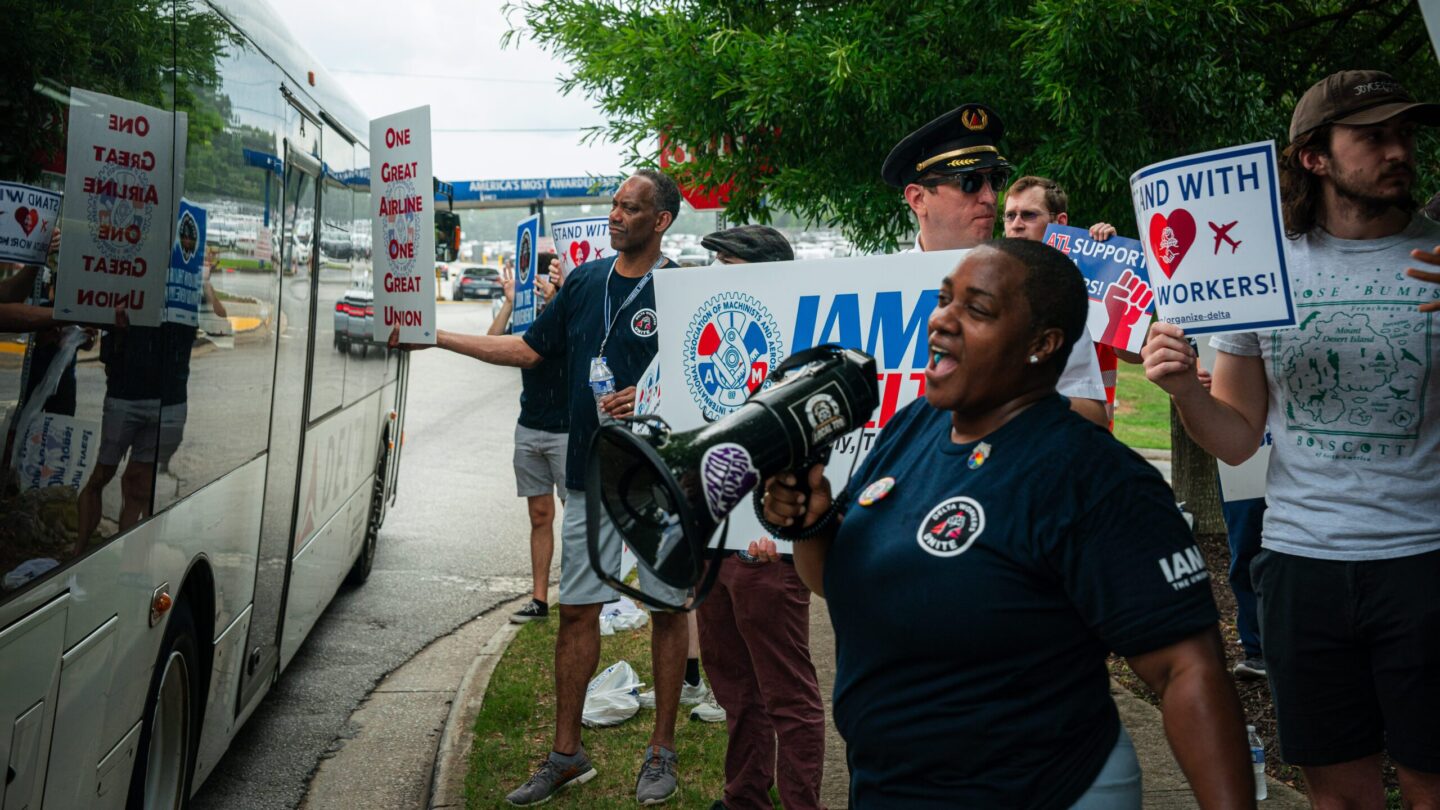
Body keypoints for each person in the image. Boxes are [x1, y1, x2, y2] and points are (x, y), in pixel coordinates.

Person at [757, 238, 1254, 808]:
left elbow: (1187, 670)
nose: (942, 319)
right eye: (945, 300)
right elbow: (836, 580)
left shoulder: (1094, 477)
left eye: (977, 309)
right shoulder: (916, 424)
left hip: (1042, 789)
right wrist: (813, 524)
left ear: (1041, 345)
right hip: (893, 788)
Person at [1143, 70, 1440, 808]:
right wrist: (1184, 389)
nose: (1398, 150)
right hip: (1303, 565)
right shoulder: (1260, 268)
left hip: (1427, 561)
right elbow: (1239, 439)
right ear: (1314, 157)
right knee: (1337, 791)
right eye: (1373, 136)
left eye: (1404, 134)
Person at [392, 170, 690, 806]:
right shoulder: (584, 281)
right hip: (590, 474)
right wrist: (438, 337)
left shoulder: (682, 290)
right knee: (577, 609)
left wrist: (659, 390)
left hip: (658, 478)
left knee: (668, 608)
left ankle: (660, 750)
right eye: (614, 204)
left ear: (660, 221)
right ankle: (565, 754)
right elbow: (528, 349)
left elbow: (709, 377)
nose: (616, 216)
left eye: (631, 208)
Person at [689, 225, 826, 810]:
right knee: (733, 685)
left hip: (767, 548)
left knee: (785, 694)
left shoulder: (803, 357)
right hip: (713, 542)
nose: (715, 275)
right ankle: (745, 796)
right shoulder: (699, 335)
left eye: (726, 264)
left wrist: (780, 531)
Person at [880, 103, 1110, 427]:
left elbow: (1094, 416)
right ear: (918, 198)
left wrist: (1011, 393)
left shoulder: (1040, 284)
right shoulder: (876, 285)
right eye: (970, 182)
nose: (990, 197)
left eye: (996, 180)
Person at [488, 251, 568, 623]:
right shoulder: (524, 318)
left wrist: (557, 300)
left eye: (544, 281)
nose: (538, 288)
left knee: (578, 517)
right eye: (532, 284)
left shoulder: (568, 311)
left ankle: (579, 596)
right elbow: (491, 344)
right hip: (529, 427)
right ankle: (539, 599)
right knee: (539, 516)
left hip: (568, 431)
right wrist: (509, 303)